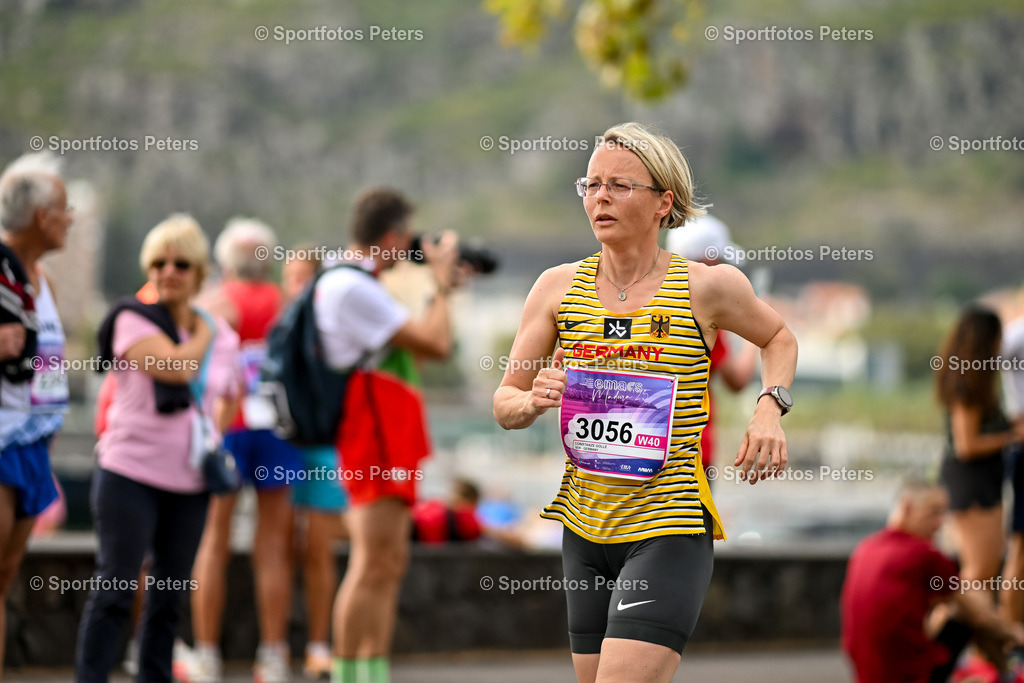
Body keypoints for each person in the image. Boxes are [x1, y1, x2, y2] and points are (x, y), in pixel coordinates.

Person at [493, 122, 798, 683]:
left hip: (669, 526)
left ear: (665, 202)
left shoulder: (707, 286)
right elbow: (504, 400)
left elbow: (779, 339)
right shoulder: (556, 287)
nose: (600, 196)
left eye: (618, 185)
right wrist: (532, 400)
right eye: (590, 184)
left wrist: (768, 407)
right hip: (582, 529)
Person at [75, 214, 241, 683]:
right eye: (158, 263)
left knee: (168, 597)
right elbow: (175, 368)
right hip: (129, 474)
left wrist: (211, 436)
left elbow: (231, 390)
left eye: (181, 263)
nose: (168, 271)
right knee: (116, 590)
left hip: (188, 481)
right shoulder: (132, 318)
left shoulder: (223, 338)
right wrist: (208, 329)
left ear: (200, 272)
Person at [318, 187, 460, 683]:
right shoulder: (352, 287)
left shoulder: (363, 285)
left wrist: (438, 288)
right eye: (406, 240)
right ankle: (347, 673)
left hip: (389, 433)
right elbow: (437, 343)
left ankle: (370, 671)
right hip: (372, 436)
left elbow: (415, 345)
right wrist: (441, 285)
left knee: (389, 562)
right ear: (393, 236)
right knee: (370, 560)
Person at [185, 217, 302, 683]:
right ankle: (272, 655)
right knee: (273, 543)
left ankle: (208, 655)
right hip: (278, 426)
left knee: (214, 538)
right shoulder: (290, 305)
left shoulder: (212, 303)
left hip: (225, 425)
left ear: (225, 258)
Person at [0, 152, 72, 680]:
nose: (71, 220)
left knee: (5, 576)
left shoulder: (42, 277)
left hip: (34, 443)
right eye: (65, 210)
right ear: (41, 217)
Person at [841, 478, 1024, 683]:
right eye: (933, 513)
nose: (940, 524)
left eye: (943, 513)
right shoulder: (923, 554)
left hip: (866, 675)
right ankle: (1010, 671)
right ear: (906, 507)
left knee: (953, 605)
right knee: (970, 609)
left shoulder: (865, 549)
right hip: (910, 676)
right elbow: (975, 609)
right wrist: (1014, 632)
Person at [281, 245, 351, 680]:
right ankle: (279, 642)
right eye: (292, 276)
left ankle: (319, 644)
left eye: (307, 276)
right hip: (285, 445)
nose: (300, 285)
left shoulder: (333, 330)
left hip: (325, 445)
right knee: (284, 545)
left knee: (319, 550)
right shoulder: (283, 325)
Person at [936, 306, 1024, 623]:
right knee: (978, 574)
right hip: (971, 482)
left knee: (980, 574)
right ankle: (950, 647)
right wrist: (1012, 436)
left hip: (978, 480)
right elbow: (967, 445)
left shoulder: (973, 379)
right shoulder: (969, 384)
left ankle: (969, 650)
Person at [665, 214, 758, 470]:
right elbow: (737, 381)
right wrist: (757, 337)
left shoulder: (657, 302)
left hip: (642, 449)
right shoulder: (705, 314)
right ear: (709, 260)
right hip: (692, 454)